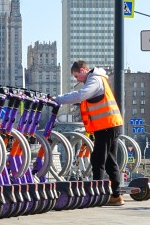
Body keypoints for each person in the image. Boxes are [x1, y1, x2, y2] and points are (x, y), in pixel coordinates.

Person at [54, 60, 125, 206]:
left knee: (97, 159)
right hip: (109, 124)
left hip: (107, 125)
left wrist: (58, 100)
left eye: (76, 76)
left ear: (82, 70)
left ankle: (97, 194)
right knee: (109, 160)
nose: (76, 79)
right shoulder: (97, 79)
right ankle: (116, 195)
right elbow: (80, 94)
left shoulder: (95, 80)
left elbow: (81, 95)